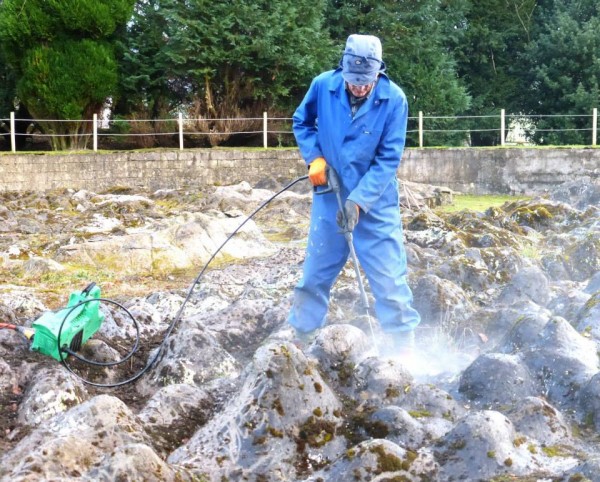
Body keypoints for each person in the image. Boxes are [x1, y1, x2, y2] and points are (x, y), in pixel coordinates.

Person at [287, 34, 421, 353]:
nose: (359, 87)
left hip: (375, 201)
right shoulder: (324, 86)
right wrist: (315, 158)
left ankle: (403, 348)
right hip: (330, 193)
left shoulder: (394, 100)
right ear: (343, 68)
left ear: (378, 71)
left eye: (366, 81)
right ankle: (303, 337)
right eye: (353, 80)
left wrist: (359, 201)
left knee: (390, 279)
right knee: (315, 273)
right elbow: (301, 122)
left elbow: (389, 158)